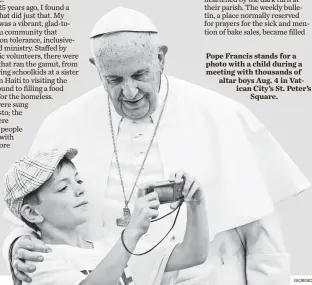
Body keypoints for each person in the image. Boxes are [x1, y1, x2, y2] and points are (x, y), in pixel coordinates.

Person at [3, 7, 310, 285]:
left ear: (160, 58)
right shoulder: (62, 123)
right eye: (114, 79)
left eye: (140, 74)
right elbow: (31, 211)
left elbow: (263, 236)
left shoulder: (220, 114)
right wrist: (16, 245)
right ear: (96, 67)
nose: (130, 91)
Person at [3, 148, 208, 285]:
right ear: (32, 212)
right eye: (63, 187)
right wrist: (132, 231)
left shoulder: (109, 247)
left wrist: (196, 203)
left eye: (78, 181)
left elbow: (193, 255)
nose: (80, 190)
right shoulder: (35, 261)